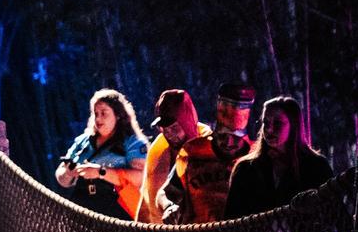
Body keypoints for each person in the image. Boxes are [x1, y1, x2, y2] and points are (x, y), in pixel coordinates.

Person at [158, 82, 255, 224]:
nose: (228, 143)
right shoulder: (192, 152)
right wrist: (169, 207)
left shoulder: (256, 157)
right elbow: (165, 193)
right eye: (222, 136)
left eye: (236, 138)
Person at [225, 96, 334, 218]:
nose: (269, 129)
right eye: (266, 123)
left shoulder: (316, 166)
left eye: (278, 123)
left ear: (294, 126)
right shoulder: (245, 168)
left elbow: (332, 213)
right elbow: (231, 219)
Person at [55, 89, 148, 220]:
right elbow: (61, 175)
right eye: (95, 113)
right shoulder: (82, 141)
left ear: (118, 115)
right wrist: (68, 173)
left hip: (119, 215)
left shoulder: (133, 142)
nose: (98, 118)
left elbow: (141, 177)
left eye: (104, 113)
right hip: (81, 212)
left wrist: (101, 172)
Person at [136, 89, 209, 224]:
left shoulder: (209, 149)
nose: (169, 134)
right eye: (164, 129)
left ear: (187, 123)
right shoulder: (158, 149)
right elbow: (146, 203)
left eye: (174, 128)